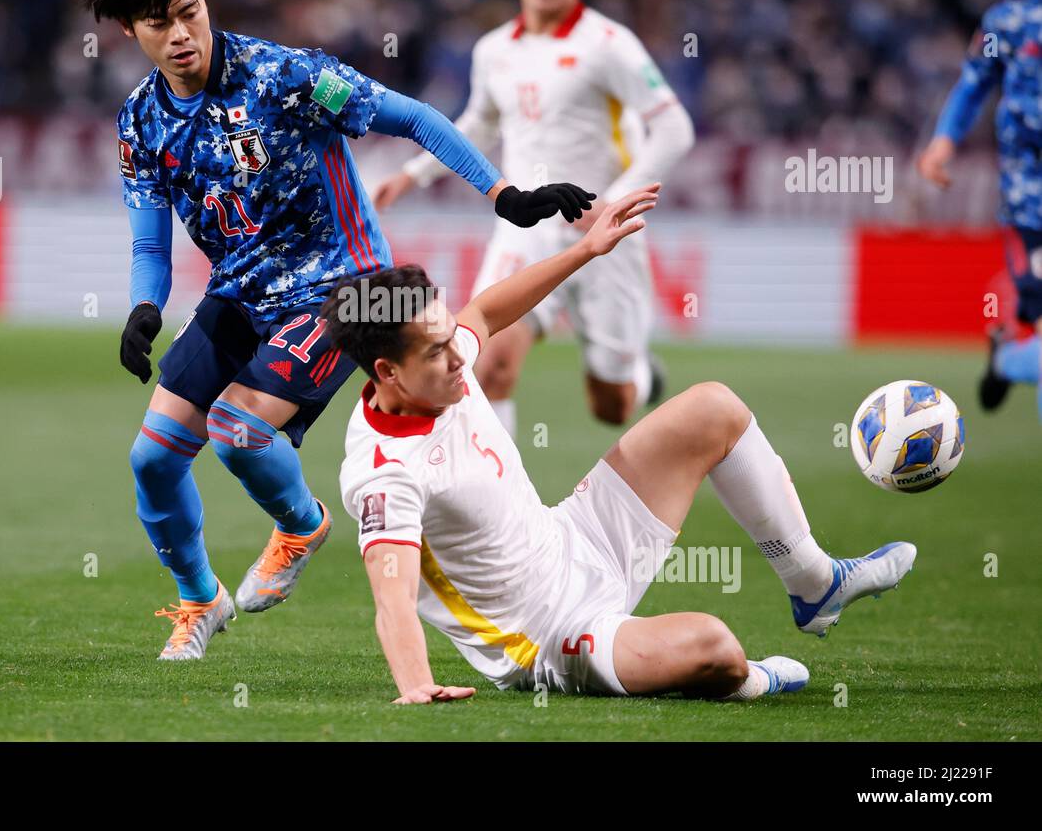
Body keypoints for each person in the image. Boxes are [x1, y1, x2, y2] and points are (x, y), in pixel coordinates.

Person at [77, 0, 598, 660]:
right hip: (241, 294)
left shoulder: (287, 76)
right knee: (153, 461)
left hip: (348, 290)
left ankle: (302, 523)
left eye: (190, 10)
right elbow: (148, 244)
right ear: (132, 30)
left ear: (204, 0)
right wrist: (144, 307)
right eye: (160, 23)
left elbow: (412, 117)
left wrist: (502, 192)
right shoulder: (139, 123)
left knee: (237, 429)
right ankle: (199, 600)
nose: (182, 33)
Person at [324, 183, 916, 704]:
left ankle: (815, 583)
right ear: (388, 373)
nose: (461, 354)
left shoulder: (442, 360)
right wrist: (416, 686)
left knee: (714, 408)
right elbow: (392, 593)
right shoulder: (385, 472)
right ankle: (750, 680)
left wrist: (584, 250)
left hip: (576, 536)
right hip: (552, 635)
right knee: (715, 646)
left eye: (451, 335)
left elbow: (484, 310)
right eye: (437, 351)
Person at [372, 0, 695, 435]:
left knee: (610, 405)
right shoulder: (493, 50)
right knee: (485, 364)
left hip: (605, 234)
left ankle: (642, 376)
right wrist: (412, 173)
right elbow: (475, 124)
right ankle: (502, 512)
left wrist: (611, 203)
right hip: (527, 229)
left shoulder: (609, 45)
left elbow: (674, 128)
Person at [917, 0, 1042, 422]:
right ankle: (1013, 355)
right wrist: (942, 144)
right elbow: (972, 85)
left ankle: (1010, 360)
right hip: (1029, 203)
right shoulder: (1009, 22)